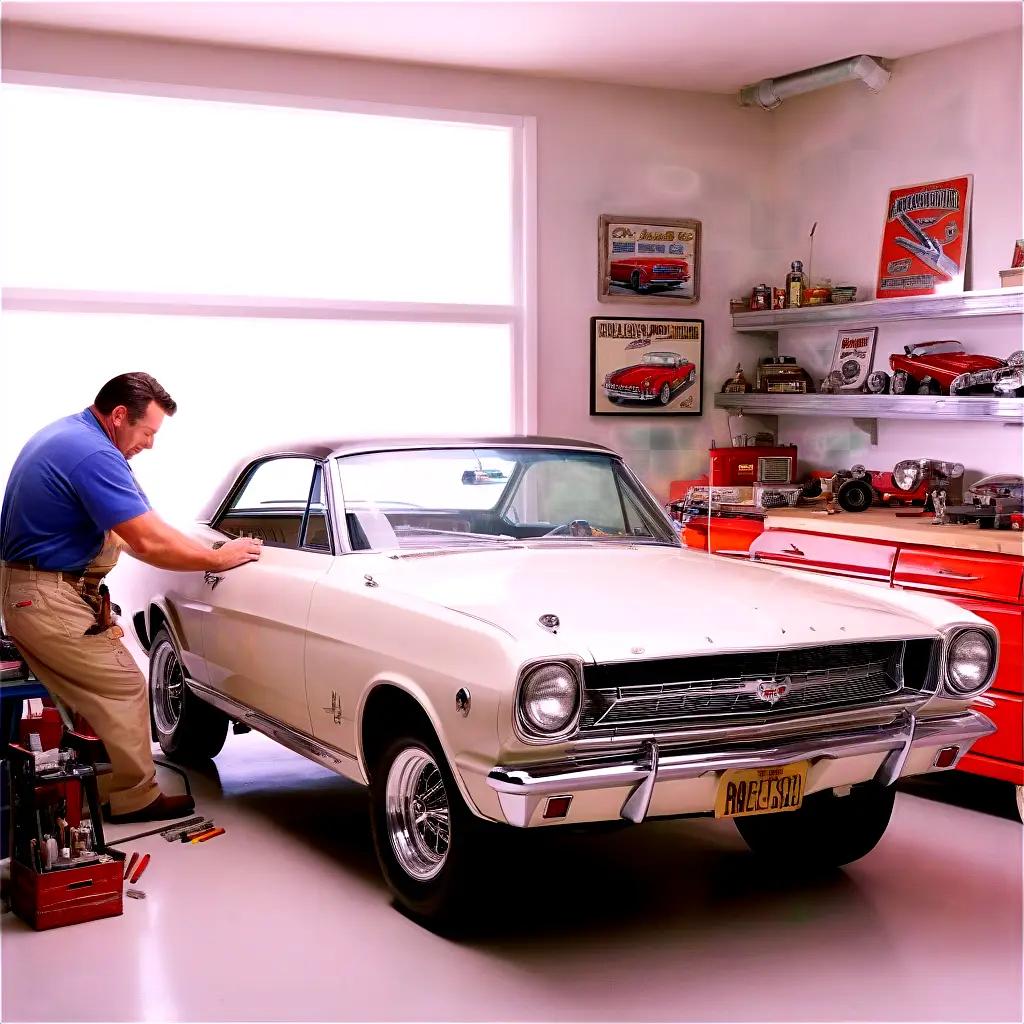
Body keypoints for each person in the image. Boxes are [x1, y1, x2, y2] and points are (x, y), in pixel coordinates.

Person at [0, 372, 262, 822]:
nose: (151, 444)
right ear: (120, 416)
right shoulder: (91, 453)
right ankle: (134, 797)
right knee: (123, 684)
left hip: (34, 591)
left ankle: (93, 790)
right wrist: (216, 561)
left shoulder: (77, 438)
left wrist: (202, 548)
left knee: (102, 691)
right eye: (148, 432)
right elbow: (149, 543)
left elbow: (148, 522)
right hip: (44, 595)